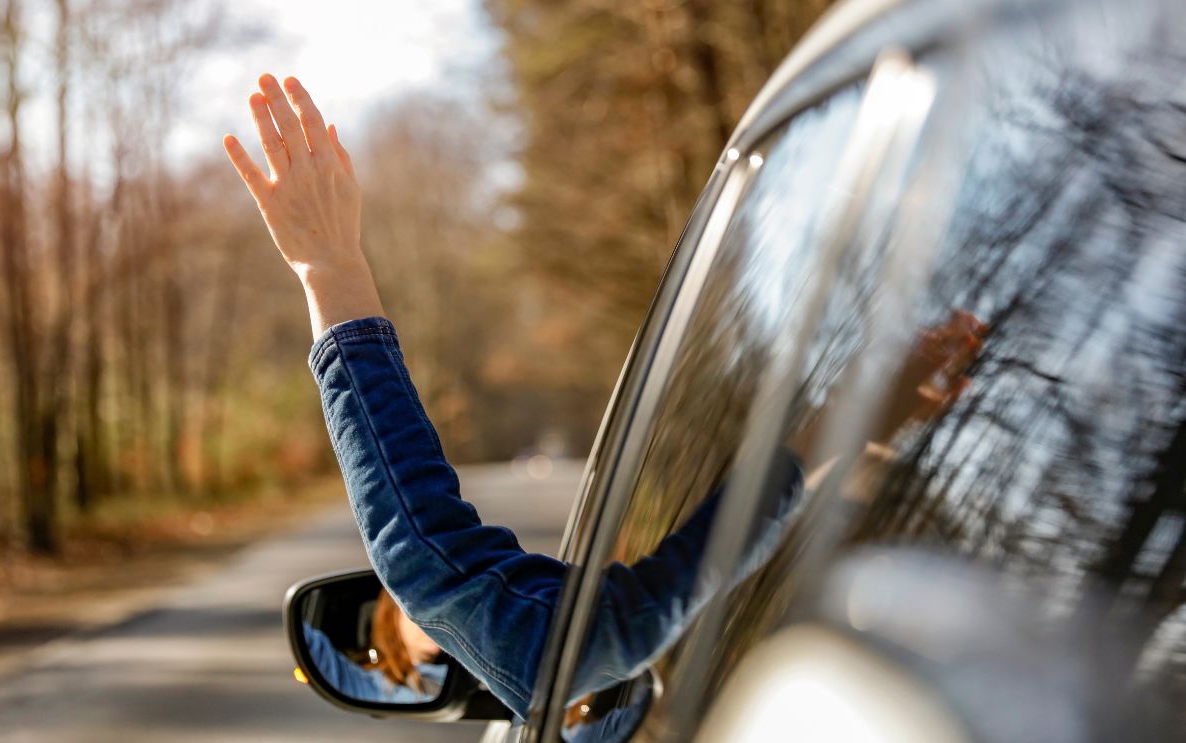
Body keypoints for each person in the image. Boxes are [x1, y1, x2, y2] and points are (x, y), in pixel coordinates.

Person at [222, 74, 985, 720]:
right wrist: (331, 271)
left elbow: (431, 571)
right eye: (430, 662)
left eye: (438, 647)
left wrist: (331, 272)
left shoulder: (588, 666)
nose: (445, 645)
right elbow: (435, 576)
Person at [303, 588, 448, 703]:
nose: (435, 619)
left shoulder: (464, 672)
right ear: (392, 615)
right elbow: (315, 649)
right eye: (421, 609)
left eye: (445, 611)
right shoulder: (375, 686)